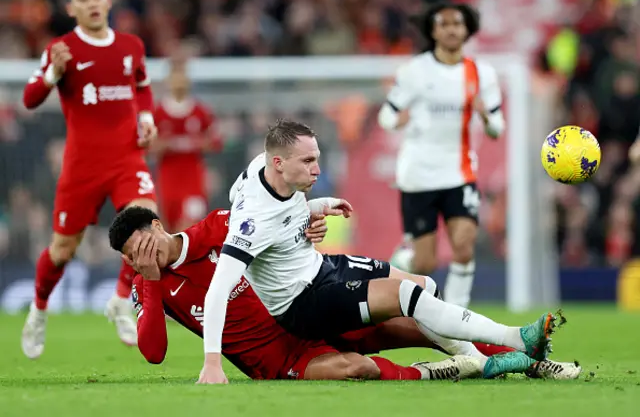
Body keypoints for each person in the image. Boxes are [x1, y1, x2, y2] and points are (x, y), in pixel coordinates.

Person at [192, 120, 559, 384]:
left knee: (425, 286)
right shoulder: (251, 221)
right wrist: (212, 363)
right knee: (406, 295)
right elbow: (218, 289)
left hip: (321, 267)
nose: (317, 169)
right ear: (278, 163)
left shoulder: (262, 167)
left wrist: (315, 208)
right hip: (302, 304)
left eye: (316, 158)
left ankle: (476, 361)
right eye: (308, 163)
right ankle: (514, 338)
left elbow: (279, 211)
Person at [110, 206, 581, 381]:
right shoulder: (148, 287)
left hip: (309, 312)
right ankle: (449, 371)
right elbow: (153, 352)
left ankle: (532, 360)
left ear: (158, 225)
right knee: (356, 369)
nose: (140, 258)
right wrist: (148, 282)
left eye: (142, 245)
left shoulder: (218, 227)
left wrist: (308, 218)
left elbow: (276, 230)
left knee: (417, 320)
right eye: (132, 257)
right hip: (275, 359)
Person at [21, 0, 159, 358]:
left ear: (108, 1)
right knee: (63, 251)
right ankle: (39, 309)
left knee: (147, 224)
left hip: (126, 158)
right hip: (82, 167)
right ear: (71, 8)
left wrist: (146, 120)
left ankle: (119, 299)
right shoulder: (62, 49)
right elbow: (30, 99)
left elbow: (143, 87)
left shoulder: (131, 46)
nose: (92, 3)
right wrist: (53, 74)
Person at [378, 1, 505, 308]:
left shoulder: (482, 74)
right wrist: (398, 120)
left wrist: (486, 117)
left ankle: (457, 316)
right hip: (418, 175)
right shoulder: (414, 71)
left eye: (457, 24)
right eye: (444, 24)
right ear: (433, 31)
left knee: (464, 247)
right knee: (424, 264)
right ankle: (402, 259)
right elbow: (386, 115)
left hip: (459, 172)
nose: (451, 29)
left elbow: (497, 129)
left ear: (467, 29)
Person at [152, 64, 222, 232]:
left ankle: (189, 256)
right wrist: (167, 144)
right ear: (168, 82)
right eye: (175, 79)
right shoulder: (158, 113)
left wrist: (197, 143)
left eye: (183, 79)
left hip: (193, 177)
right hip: (168, 177)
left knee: (191, 223)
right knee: (170, 226)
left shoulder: (200, 111)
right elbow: (148, 146)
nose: (179, 84)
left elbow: (215, 142)